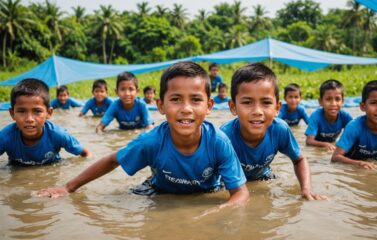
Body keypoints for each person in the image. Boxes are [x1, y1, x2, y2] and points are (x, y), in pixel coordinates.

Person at [37, 62, 249, 212]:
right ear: (161, 106)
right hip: (159, 190)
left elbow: (241, 193)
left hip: (207, 192)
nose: (186, 109)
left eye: (195, 100)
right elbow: (113, 160)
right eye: (175, 99)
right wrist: (67, 187)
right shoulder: (151, 141)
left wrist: (220, 210)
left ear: (209, 106)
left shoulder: (218, 141)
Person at [220, 62, 325, 200]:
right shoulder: (224, 137)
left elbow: (299, 160)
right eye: (247, 102)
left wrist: (305, 189)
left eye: (266, 103)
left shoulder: (279, 130)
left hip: (264, 177)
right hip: (230, 184)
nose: (257, 111)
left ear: (277, 108)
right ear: (233, 107)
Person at [0, 78, 90, 165]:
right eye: (22, 111)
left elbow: (86, 154)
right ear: (12, 114)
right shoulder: (5, 137)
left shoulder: (58, 134)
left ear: (49, 113)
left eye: (37, 111)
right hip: (16, 170)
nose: (29, 119)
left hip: (52, 167)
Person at [331, 80, 377, 169]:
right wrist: (359, 163)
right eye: (373, 103)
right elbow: (335, 158)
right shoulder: (354, 127)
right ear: (363, 106)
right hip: (352, 167)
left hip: (373, 165)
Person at [305, 79, 353, 151]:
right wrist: (325, 144)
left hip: (332, 144)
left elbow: (355, 134)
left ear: (342, 101)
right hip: (319, 145)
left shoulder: (345, 116)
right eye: (328, 99)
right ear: (321, 102)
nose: (333, 104)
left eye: (337, 99)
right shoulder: (316, 117)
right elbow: (309, 141)